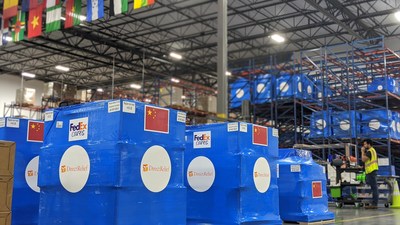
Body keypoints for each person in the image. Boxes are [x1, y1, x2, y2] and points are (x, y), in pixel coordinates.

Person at [361, 139, 379, 209]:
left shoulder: (369, 151)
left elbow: (363, 159)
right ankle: (374, 203)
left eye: (365, 144)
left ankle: (374, 204)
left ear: (369, 144)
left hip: (371, 171)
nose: (364, 146)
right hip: (372, 171)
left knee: (374, 188)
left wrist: (362, 152)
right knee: (373, 187)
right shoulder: (373, 150)